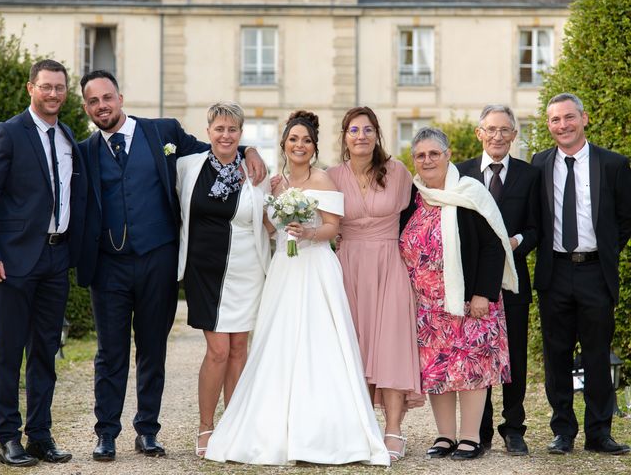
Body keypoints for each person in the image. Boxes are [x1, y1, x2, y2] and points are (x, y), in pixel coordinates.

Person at [76, 70, 265, 462]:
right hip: (109, 266)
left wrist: (248, 149)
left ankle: (147, 430)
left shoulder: (162, 132)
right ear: (87, 108)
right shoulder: (84, 151)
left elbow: (215, 147)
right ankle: (106, 433)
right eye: (93, 102)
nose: (102, 106)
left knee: (152, 350)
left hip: (157, 261)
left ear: (121, 97)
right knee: (110, 354)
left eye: (107, 97)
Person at [205, 111, 389, 466]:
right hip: (284, 270)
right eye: (293, 140)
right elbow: (268, 229)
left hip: (316, 266)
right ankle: (273, 427)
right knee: (279, 342)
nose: (299, 145)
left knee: (319, 344)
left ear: (314, 146)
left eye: (305, 140)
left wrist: (307, 233)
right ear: (284, 145)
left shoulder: (323, 180)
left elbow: (333, 228)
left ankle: (324, 431)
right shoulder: (275, 184)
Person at [399, 127, 518, 460]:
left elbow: (494, 245)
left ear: (448, 154)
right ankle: (444, 436)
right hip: (426, 305)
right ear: (414, 160)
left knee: (472, 368)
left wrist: (483, 293)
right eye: (420, 155)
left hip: (469, 302)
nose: (427, 160)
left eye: (434, 153)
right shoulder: (413, 197)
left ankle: (469, 438)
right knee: (437, 369)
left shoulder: (469, 192)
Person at [0, 59, 87, 467]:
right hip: (13, 260)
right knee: (10, 351)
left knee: (46, 350)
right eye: (46, 87)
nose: (53, 94)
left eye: (60, 87)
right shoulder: (9, 133)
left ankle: (40, 436)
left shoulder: (66, 136)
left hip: (55, 256)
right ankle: (8, 437)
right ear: (31, 88)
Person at [532, 92, 631, 455]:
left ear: (584, 119)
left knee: (596, 354)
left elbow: (624, 220)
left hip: (594, 273)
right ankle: (563, 431)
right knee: (556, 355)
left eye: (569, 117)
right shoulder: (539, 163)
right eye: (555, 120)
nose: (563, 125)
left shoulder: (613, 165)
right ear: (548, 126)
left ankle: (599, 433)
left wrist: (603, 253)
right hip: (554, 272)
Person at [326, 106, 423, 461]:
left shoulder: (397, 172)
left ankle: (394, 428)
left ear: (377, 135)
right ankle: (361, 426)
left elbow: (422, 210)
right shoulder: (331, 176)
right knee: (355, 347)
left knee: (391, 345)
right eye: (354, 130)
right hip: (347, 266)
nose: (361, 136)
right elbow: (306, 198)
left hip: (388, 265)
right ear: (345, 137)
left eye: (368, 130)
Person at [175, 102, 270, 457]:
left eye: (233, 130)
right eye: (219, 129)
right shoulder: (189, 166)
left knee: (239, 350)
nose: (225, 135)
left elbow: (267, 216)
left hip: (247, 269)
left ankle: (235, 424)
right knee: (217, 351)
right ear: (209, 131)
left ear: (241, 134)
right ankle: (205, 426)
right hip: (205, 271)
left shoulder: (256, 169)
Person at [457, 105, 540, 455]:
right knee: (480, 357)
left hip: (513, 279)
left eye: (505, 130)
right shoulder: (460, 175)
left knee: (515, 357)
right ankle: (483, 430)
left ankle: (514, 428)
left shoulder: (528, 174)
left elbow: (538, 226)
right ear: (479, 133)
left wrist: (516, 242)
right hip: (475, 283)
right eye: (491, 129)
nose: (497, 136)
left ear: (514, 135)